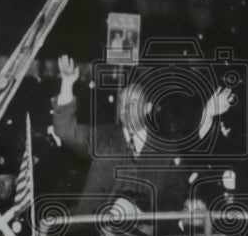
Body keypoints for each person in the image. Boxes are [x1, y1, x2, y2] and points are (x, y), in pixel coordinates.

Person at [52, 55, 229, 216]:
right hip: (93, 232)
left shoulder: (166, 150)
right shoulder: (102, 137)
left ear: (148, 108)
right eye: (122, 103)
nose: (126, 109)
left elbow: (189, 157)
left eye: (134, 103)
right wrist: (67, 84)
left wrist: (208, 114)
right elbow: (65, 130)